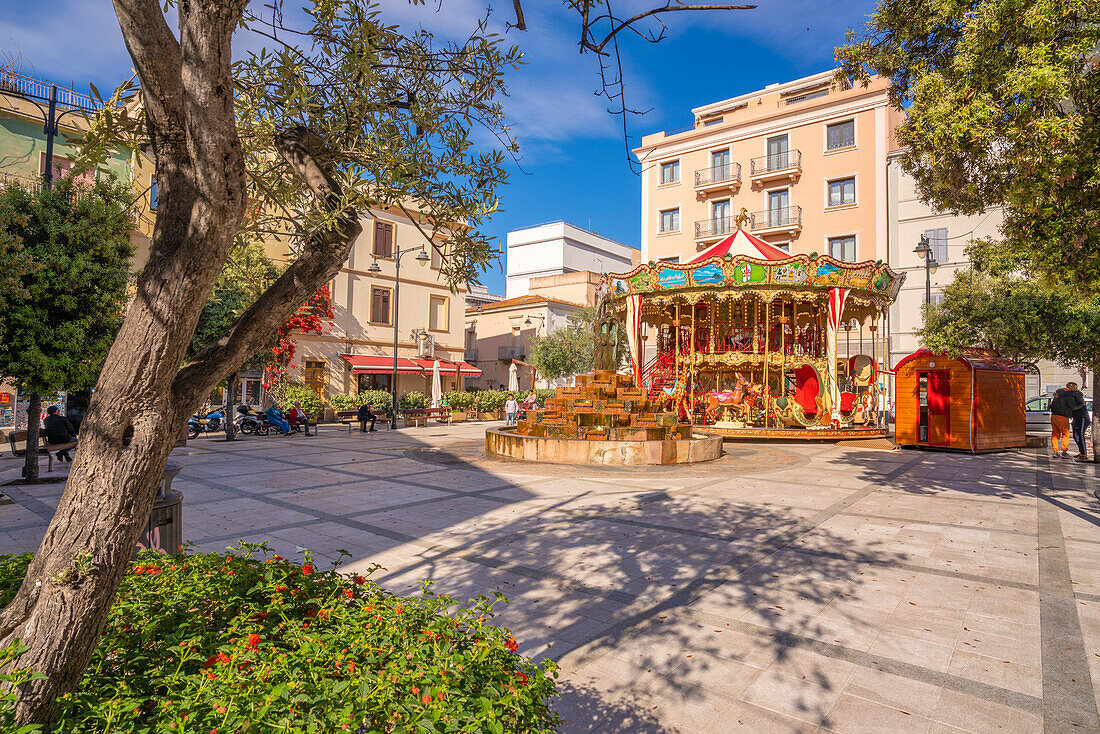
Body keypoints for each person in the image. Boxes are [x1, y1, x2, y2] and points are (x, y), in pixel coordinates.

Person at [1049, 384, 1083, 458]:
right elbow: (1073, 406)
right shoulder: (1068, 395)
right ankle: (1064, 452)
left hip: (1053, 416)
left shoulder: (1057, 394)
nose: (1075, 390)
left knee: (1055, 434)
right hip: (1063, 417)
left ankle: (1055, 451)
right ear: (1071, 387)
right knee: (1065, 434)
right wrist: (1081, 405)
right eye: (1075, 388)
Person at [1067, 382, 1092, 460]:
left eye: (1072, 387)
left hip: (1083, 418)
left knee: (1080, 434)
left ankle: (1084, 453)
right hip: (1076, 418)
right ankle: (1081, 451)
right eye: (1068, 387)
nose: (1070, 388)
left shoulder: (1077, 394)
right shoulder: (1070, 396)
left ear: (1076, 387)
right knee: (1075, 435)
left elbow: (1078, 401)